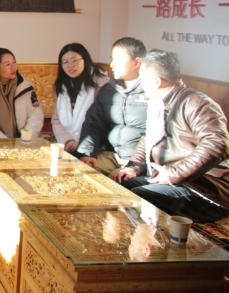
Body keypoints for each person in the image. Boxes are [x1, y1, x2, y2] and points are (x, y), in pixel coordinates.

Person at [113, 49, 229, 223]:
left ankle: (154, 238)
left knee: (139, 198)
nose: (140, 83)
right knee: (120, 185)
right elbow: (148, 138)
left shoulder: (197, 102)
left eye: (142, 78)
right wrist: (134, 167)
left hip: (204, 189)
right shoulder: (157, 102)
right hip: (175, 180)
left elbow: (218, 143)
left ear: (157, 81)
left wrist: (174, 174)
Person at [76, 37, 148, 177]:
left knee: (113, 180)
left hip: (138, 161)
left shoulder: (152, 91)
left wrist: (136, 165)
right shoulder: (108, 90)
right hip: (111, 155)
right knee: (78, 171)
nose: (112, 64)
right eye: (111, 59)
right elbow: (93, 122)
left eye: (117, 59)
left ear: (137, 62)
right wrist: (88, 153)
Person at [51, 43, 109, 153]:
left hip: (94, 146)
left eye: (74, 60)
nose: (70, 65)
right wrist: (68, 142)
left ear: (85, 60)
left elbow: (104, 121)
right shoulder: (61, 87)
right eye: (65, 62)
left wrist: (85, 143)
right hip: (68, 145)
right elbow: (56, 119)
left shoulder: (101, 85)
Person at [0, 48, 44, 138]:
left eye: (14, 62)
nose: (13, 68)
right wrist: (4, 141)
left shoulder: (26, 87)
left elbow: (36, 115)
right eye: (8, 64)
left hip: (25, 141)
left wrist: (25, 139)